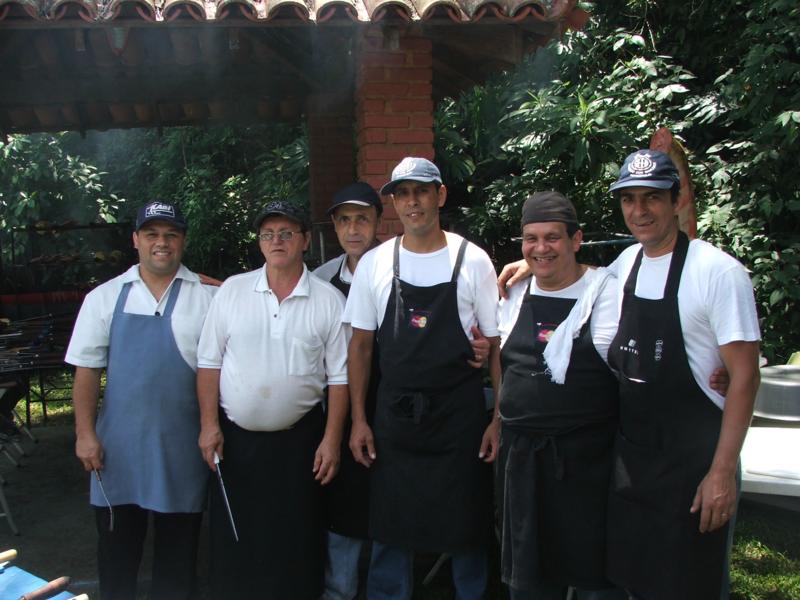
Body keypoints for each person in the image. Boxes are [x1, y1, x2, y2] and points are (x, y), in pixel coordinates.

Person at [603, 149, 760, 600]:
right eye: (629, 199)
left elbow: (745, 377)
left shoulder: (716, 272)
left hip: (696, 463)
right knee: (638, 580)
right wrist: (525, 269)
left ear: (676, 200)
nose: (639, 211)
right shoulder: (625, 265)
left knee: (694, 583)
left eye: (651, 198)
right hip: (635, 460)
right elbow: (578, 287)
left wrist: (722, 473)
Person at [344, 157, 500, 600]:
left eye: (421, 191)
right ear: (394, 202)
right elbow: (359, 346)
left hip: (460, 418)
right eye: (402, 194)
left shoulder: (472, 260)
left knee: (466, 525)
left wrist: (498, 418)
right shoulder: (375, 263)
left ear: (440, 196)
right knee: (391, 526)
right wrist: (359, 419)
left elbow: (496, 345)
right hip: (395, 417)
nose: (412, 202)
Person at [196, 200, 349, 599]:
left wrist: (332, 441)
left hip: (301, 441)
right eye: (268, 234)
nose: (276, 241)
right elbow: (209, 363)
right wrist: (209, 425)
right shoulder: (232, 290)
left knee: (297, 533)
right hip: (236, 442)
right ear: (260, 242)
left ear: (303, 241)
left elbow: (340, 378)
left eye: (285, 233)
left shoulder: (328, 299)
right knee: (238, 534)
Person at [66, 201, 213, 600]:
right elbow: (86, 368)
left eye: (171, 235)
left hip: (183, 448)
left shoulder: (208, 296)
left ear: (183, 240)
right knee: (117, 555)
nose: (161, 243)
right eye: (152, 234)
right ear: (136, 240)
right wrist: (85, 434)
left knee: (179, 557)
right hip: (117, 451)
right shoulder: (104, 297)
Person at [494, 192, 626, 600]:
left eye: (552, 237)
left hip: (589, 461)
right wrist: (498, 419)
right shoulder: (512, 293)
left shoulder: (608, 290)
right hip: (523, 461)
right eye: (531, 239)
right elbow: (502, 362)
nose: (540, 248)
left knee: (595, 578)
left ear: (577, 239)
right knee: (530, 582)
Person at [314, 182, 383, 600]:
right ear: (334, 228)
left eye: (362, 219)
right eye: (344, 220)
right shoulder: (321, 282)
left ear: (377, 221)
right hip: (335, 414)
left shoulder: (399, 270)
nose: (353, 228)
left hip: (389, 408)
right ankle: (339, 591)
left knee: (386, 508)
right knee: (340, 506)